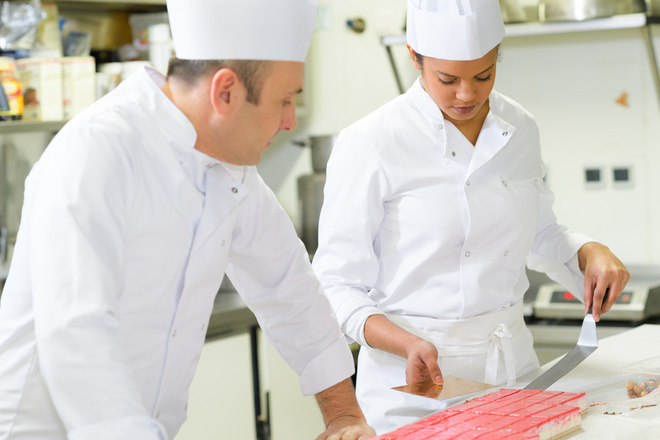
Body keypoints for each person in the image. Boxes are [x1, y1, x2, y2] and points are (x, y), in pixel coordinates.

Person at [0, 0, 376, 439]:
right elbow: (77, 332)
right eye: (284, 100)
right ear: (225, 92)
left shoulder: (231, 168)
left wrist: (344, 414)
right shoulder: (96, 151)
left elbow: (289, 287)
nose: (291, 120)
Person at [311, 0, 630, 435]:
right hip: (414, 389)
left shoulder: (519, 127)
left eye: (484, 75)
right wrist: (403, 341)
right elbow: (335, 283)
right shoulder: (371, 142)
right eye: (448, 79)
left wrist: (588, 251)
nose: (467, 94)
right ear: (414, 57)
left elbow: (539, 232)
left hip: (516, 378)